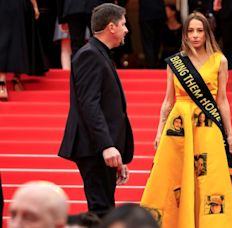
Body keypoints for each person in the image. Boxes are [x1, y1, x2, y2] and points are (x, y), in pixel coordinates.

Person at [141, 12, 232, 228]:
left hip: (208, 126)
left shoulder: (219, 60)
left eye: (200, 31)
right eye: (190, 31)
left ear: (207, 33)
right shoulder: (176, 62)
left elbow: (222, 100)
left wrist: (230, 133)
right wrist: (159, 130)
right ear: (185, 34)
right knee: (176, 175)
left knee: (210, 177)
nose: (195, 35)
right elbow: (168, 100)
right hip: (180, 124)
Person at [58, 3, 134, 218]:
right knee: (102, 211)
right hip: (94, 149)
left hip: (100, 150)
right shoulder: (89, 55)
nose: (126, 29)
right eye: (123, 24)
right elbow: (89, 104)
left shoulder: (98, 53)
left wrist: (114, 151)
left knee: (105, 210)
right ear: (111, 27)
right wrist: (107, 146)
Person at [0, 0, 49, 101]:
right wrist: (35, 6)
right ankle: (17, 77)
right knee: (20, 39)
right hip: (19, 4)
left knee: (3, 39)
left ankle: (2, 82)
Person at [160, 4, 182, 68]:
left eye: (166, 10)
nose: (164, 12)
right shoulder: (163, 27)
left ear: (173, 12)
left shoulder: (182, 28)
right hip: (165, 56)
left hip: (178, 58)